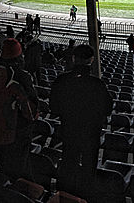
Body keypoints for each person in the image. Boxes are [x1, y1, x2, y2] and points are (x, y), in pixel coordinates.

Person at [49, 44, 113, 198]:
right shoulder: (97, 84)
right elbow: (108, 108)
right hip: (91, 132)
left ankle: (64, 196)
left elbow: (54, 108)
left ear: (73, 58)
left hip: (69, 130)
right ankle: (86, 196)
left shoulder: (61, 80)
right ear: (91, 60)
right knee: (89, 166)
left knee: (68, 162)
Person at [0, 38, 38, 181]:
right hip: (15, 132)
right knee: (19, 169)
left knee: (4, 163)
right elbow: (31, 110)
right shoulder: (20, 76)